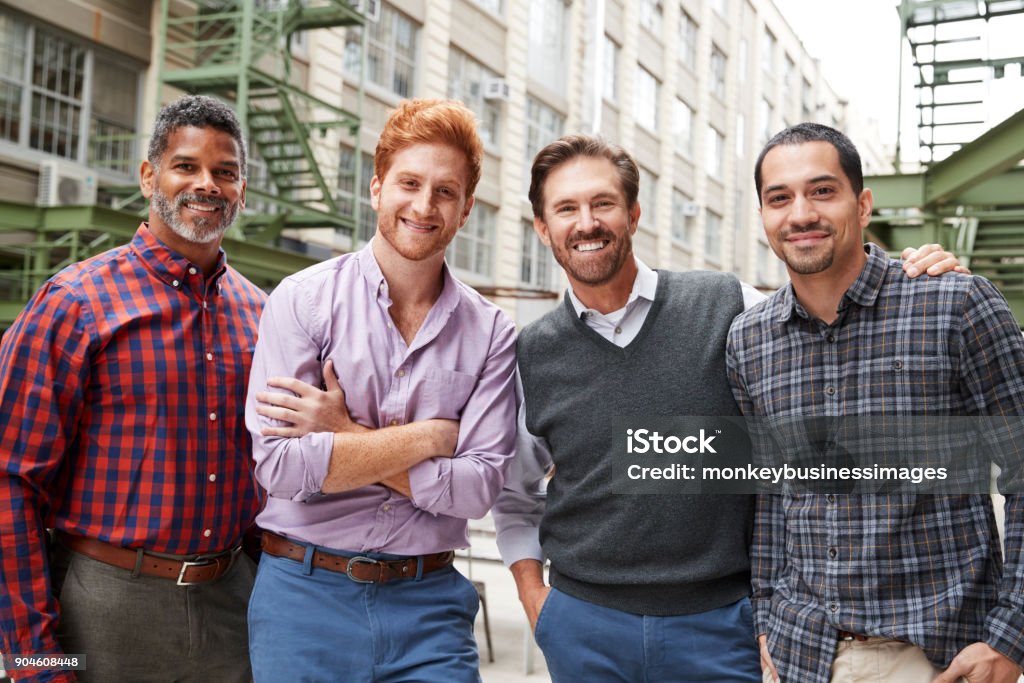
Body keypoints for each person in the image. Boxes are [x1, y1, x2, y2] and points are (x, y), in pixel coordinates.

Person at [491, 133, 964, 682]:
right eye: (566, 209)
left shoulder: (729, 305)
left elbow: (826, 324)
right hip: (583, 625)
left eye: (603, 203)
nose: (587, 222)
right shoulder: (531, 351)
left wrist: (914, 280)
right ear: (543, 228)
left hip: (722, 625)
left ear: (634, 214)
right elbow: (514, 493)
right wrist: (536, 599)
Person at [726, 122, 1024, 683]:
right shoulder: (749, 340)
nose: (801, 214)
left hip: (937, 656)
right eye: (779, 198)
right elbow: (770, 494)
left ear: (862, 205)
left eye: (822, 191)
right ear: (764, 216)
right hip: (803, 654)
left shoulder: (956, 304)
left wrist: (1011, 637)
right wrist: (766, 615)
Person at [244, 98, 517, 682]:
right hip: (303, 600)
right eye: (409, 183)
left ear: (467, 208)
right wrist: (433, 437)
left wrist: (344, 436)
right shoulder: (302, 300)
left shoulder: (492, 332)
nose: (423, 205)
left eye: (445, 191)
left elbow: (476, 490)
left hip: (430, 608)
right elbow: (282, 467)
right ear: (376, 188)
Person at [0, 95, 263, 682]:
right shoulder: (73, 303)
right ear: (150, 175)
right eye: (187, 166)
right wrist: (33, 662)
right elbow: (9, 483)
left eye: (225, 172)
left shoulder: (261, 316)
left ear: (241, 189)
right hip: (99, 607)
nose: (207, 185)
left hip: (232, 607)